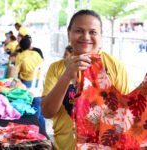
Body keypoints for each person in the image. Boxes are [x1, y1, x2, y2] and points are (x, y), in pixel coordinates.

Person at [41, 10, 133, 150]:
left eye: (93, 32)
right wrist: (67, 76)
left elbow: (130, 112)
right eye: (79, 30)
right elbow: (47, 112)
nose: (86, 37)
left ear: (101, 35)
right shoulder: (56, 69)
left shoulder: (114, 66)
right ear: (69, 33)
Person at [15, 36, 45, 129]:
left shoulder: (19, 56)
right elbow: (42, 65)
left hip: (28, 85)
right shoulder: (36, 53)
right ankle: (43, 130)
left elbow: (15, 74)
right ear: (29, 45)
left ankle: (31, 126)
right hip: (39, 85)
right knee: (38, 106)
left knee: (27, 108)